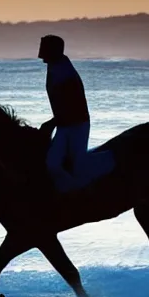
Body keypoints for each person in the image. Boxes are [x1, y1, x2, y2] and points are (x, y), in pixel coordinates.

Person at [38, 34, 92, 193]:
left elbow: (71, 102)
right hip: (65, 124)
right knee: (52, 163)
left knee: (75, 165)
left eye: (44, 48)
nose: (41, 52)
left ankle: (78, 192)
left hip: (76, 124)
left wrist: (53, 122)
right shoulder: (56, 67)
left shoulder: (63, 70)